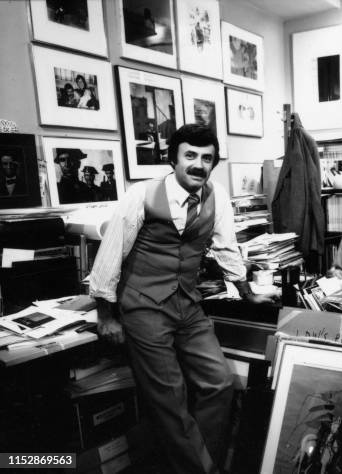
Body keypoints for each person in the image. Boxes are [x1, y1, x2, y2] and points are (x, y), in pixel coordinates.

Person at [89, 124, 273, 473]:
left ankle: (200, 464)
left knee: (219, 381)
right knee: (171, 400)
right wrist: (106, 315)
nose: (199, 164)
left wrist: (247, 291)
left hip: (188, 305)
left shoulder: (216, 197)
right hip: (143, 306)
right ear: (172, 159)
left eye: (207, 158)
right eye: (190, 155)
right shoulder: (140, 195)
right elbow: (110, 257)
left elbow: (226, 248)